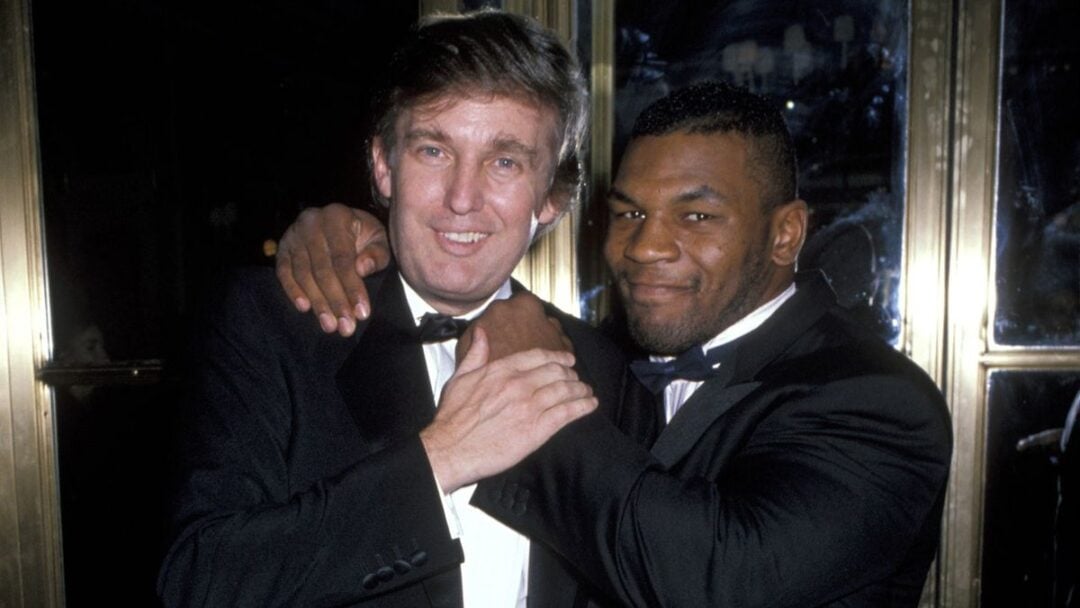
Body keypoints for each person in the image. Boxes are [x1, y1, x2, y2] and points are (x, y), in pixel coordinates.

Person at [277, 81, 954, 606]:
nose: (645, 246)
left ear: (785, 234)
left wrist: (526, 385)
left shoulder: (876, 401)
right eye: (630, 212)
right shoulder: (609, 356)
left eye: (696, 214)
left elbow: (708, 580)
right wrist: (360, 238)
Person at [158, 10, 622, 607]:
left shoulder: (600, 367)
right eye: (434, 150)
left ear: (553, 198)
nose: (462, 198)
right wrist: (443, 456)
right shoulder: (271, 324)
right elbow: (199, 584)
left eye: (505, 162)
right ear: (384, 166)